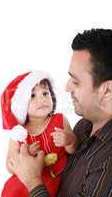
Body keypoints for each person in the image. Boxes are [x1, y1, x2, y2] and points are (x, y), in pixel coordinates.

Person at [7, 28, 112, 197]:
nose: (66, 87)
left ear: (106, 90)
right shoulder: (83, 126)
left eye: (76, 82)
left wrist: (32, 180)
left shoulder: (107, 161)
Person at [1, 71, 78, 197]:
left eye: (45, 93)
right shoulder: (19, 133)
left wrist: (69, 140)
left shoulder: (59, 120)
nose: (42, 99)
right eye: (32, 96)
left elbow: (73, 149)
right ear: (21, 104)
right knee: (12, 190)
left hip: (55, 177)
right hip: (24, 182)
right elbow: (10, 165)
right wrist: (27, 155)